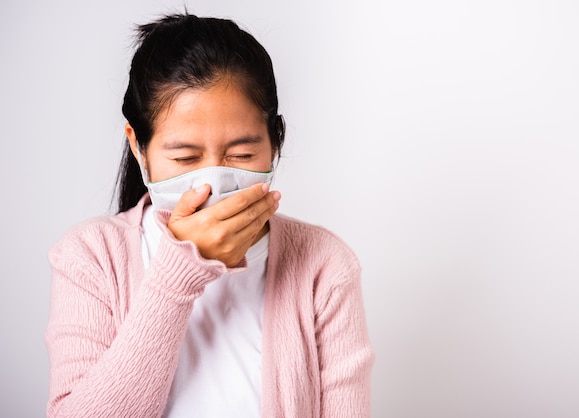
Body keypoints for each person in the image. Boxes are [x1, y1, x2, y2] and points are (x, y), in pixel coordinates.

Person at [45, 12, 374, 418]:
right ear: (138, 147)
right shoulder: (90, 256)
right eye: (185, 157)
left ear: (276, 141)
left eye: (241, 154)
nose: (214, 183)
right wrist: (179, 271)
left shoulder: (324, 264)